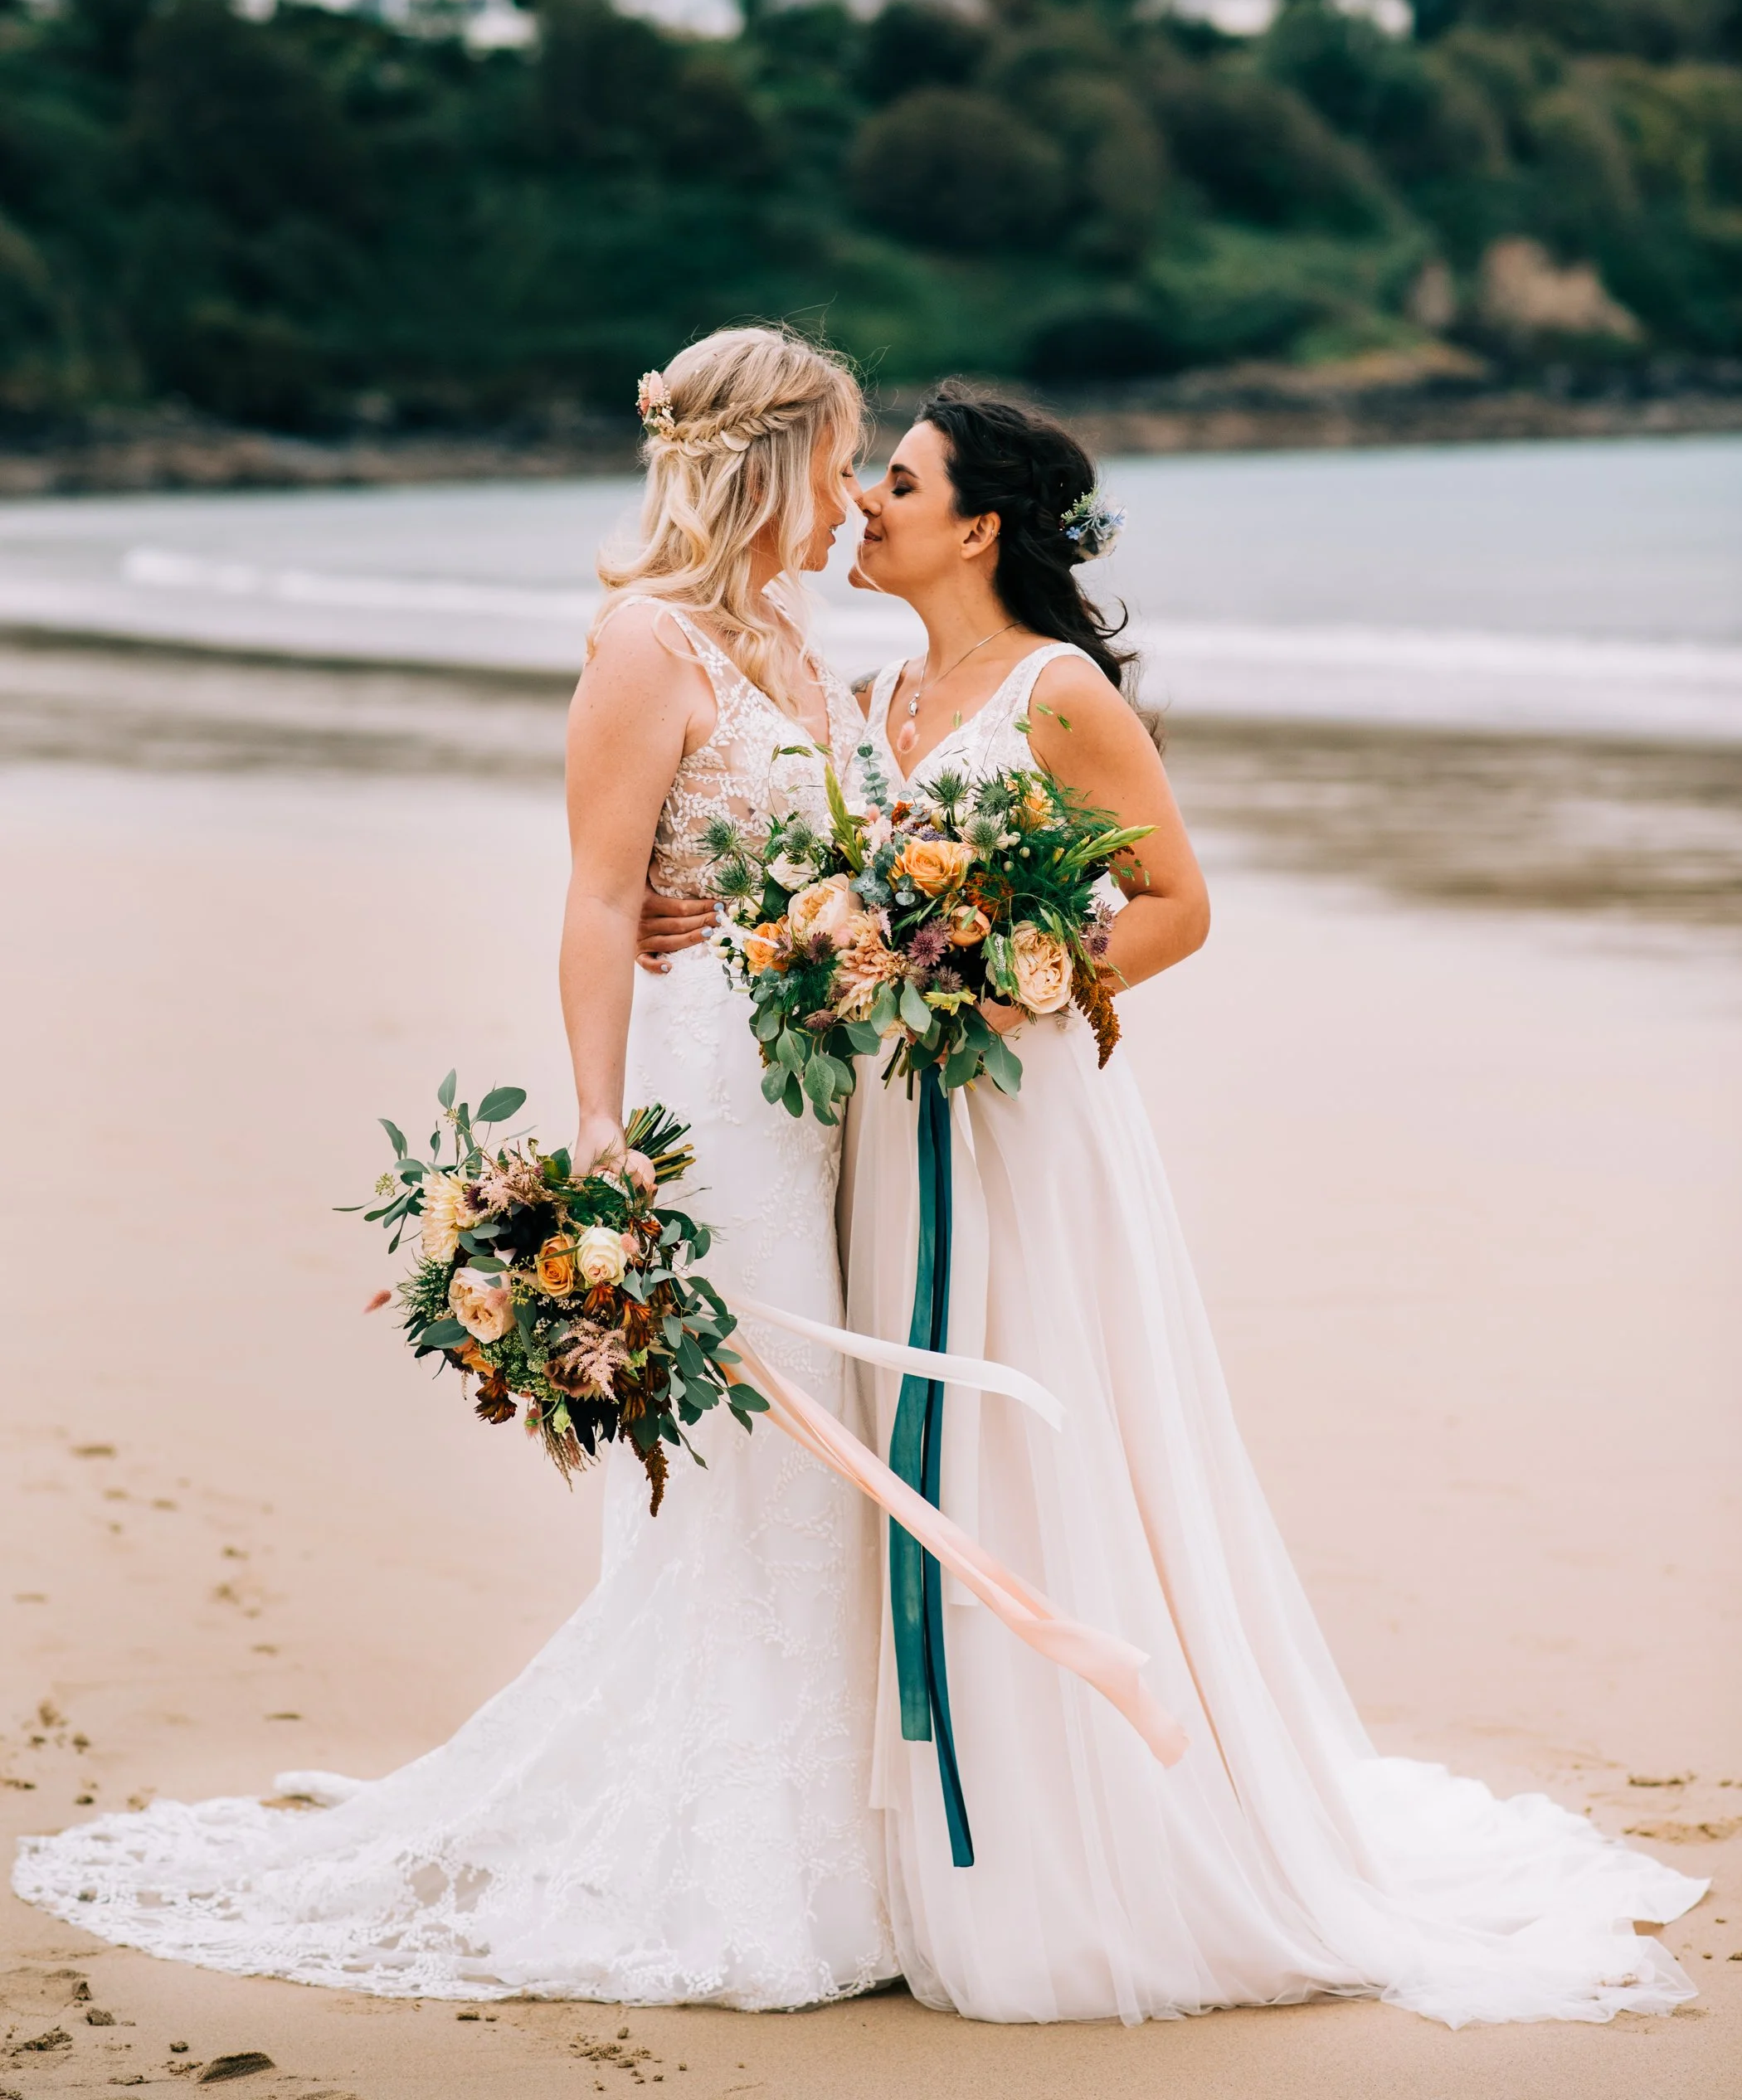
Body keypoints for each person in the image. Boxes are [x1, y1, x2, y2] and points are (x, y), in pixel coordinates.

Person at [639, 382, 1709, 2031]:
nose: (862, 504)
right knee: (921, 1440)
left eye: (897, 483)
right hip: (884, 1123)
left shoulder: (1058, 694)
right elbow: (811, 881)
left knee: (1030, 1429)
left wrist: (1006, 975)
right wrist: (724, 925)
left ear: (978, 526)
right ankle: (922, 1833)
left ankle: (1073, 1842)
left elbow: (1177, 903)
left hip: (1019, 1122)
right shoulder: (871, 695)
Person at [14, 325, 899, 2010]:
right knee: (763, 1454)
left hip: (826, 1090)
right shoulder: (643, 641)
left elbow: (824, 855)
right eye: (842, 462)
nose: (855, 498)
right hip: (719, 1098)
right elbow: (599, 893)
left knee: (826, 1448)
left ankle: (845, 1824)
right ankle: (751, 1849)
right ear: (771, 460)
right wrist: (597, 1124)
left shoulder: (792, 635)